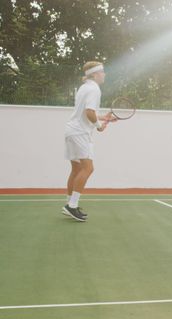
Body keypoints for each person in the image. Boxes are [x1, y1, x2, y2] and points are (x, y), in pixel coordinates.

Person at [62, 61, 115, 221]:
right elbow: (89, 113)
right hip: (80, 133)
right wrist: (99, 126)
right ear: (95, 74)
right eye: (102, 72)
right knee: (88, 168)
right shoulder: (94, 89)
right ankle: (72, 207)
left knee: (77, 169)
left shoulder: (85, 87)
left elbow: (85, 113)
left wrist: (103, 117)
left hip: (72, 131)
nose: (104, 74)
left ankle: (69, 204)